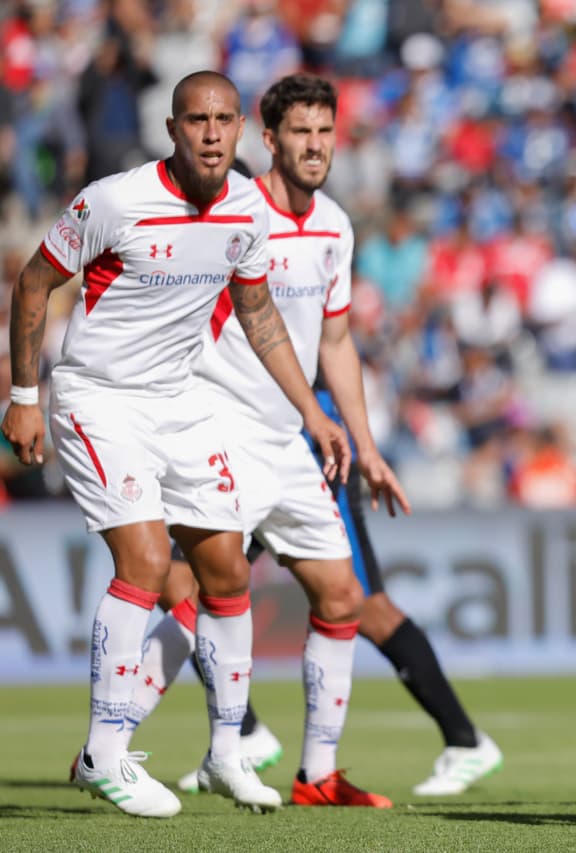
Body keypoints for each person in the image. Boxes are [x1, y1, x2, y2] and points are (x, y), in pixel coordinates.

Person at [123, 73, 502, 802]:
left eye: (325, 131)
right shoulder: (234, 212)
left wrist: (363, 442)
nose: (316, 145)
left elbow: (336, 343)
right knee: (192, 584)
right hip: (220, 431)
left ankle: (310, 770)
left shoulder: (335, 224)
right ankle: (123, 741)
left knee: (339, 596)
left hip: (301, 439)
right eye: (300, 132)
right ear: (269, 140)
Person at [0, 70, 350, 818]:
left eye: (225, 119)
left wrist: (312, 411)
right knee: (151, 562)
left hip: (179, 401)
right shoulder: (116, 200)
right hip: (99, 400)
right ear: (173, 129)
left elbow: (258, 314)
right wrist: (24, 396)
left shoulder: (247, 210)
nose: (214, 133)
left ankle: (227, 749)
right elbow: (34, 283)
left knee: (225, 568)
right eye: (198, 120)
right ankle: (104, 752)